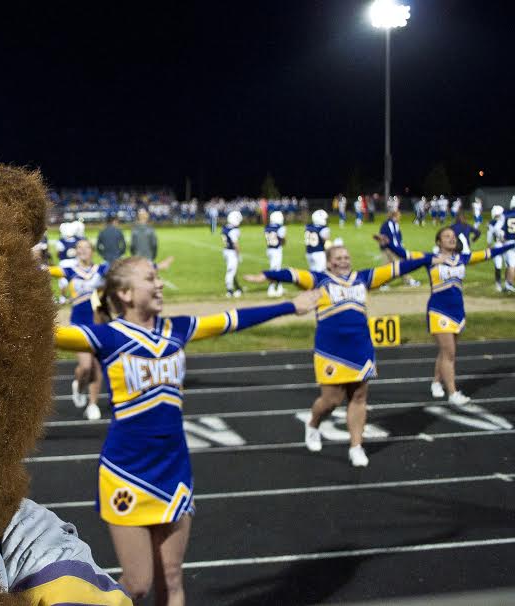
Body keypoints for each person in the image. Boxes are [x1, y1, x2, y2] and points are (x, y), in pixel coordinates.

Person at [55, 256, 320, 604]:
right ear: (125, 293)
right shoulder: (106, 336)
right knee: (136, 584)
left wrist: (290, 306)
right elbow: (49, 335)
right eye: (151, 278)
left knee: (173, 578)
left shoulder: (176, 329)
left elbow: (232, 320)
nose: (160, 283)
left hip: (174, 470)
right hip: (127, 471)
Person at [245, 245, 438, 466]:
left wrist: (427, 259)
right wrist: (268, 275)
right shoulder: (318, 280)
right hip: (331, 349)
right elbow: (292, 274)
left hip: (360, 347)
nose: (344, 260)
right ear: (329, 263)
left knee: (359, 397)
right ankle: (313, 424)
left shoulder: (363, 278)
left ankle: (356, 447)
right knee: (331, 400)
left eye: (347, 256)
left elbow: (396, 268)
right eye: (339, 257)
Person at [383, 228, 514, 404]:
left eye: (453, 236)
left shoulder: (462, 258)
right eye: (447, 236)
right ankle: (453, 393)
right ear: (438, 242)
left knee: (447, 352)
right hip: (438, 311)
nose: (451, 239)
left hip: (458, 311)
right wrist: (387, 243)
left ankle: (436, 382)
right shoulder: (431, 258)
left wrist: (512, 244)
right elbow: (405, 253)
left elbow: (488, 253)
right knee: (449, 353)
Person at [46, 239, 108, 420]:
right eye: (79, 248)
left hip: (97, 324)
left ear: (92, 251)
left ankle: (93, 404)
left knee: (97, 365)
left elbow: (125, 272)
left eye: (86, 247)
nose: (82, 250)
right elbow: (46, 271)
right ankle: (79, 385)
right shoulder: (70, 270)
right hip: (79, 324)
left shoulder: (102, 270)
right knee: (86, 366)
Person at [374, 209, 420, 288]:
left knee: (392, 266)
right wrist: (384, 247)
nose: (399, 217)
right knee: (398, 266)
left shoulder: (396, 225)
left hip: (396, 249)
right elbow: (382, 237)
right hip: (388, 249)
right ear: (394, 216)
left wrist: (400, 246)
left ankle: (384, 283)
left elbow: (399, 237)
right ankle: (408, 281)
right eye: (398, 216)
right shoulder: (386, 225)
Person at [264, 210, 287, 297]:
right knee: (274, 270)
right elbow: (283, 241)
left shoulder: (267, 227)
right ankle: (271, 288)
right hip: (276, 250)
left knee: (277, 269)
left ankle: (279, 287)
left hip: (269, 249)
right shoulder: (280, 228)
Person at [222, 210, 243, 297]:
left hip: (226, 251)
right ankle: (229, 291)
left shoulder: (225, 228)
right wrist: (238, 254)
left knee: (232, 271)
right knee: (231, 271)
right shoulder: (234, 230)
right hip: (231, 252)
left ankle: (238, 288)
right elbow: (235, 244)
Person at [488, 205, 507, 292]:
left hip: (498, 245)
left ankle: (498, 284)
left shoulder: (492, 223)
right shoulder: (507, 220)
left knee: (498, 266)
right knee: (509, 265)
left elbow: (490, 236)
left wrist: (489, 245)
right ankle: (507, 284)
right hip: (507, 245)